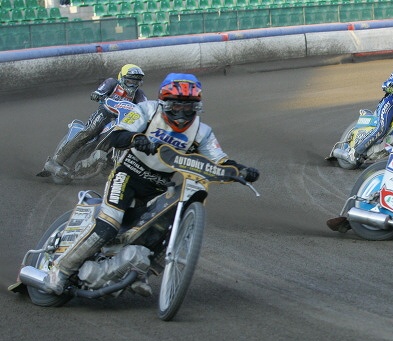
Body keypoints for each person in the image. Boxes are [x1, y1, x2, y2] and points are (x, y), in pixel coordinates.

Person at [42, 72, 260, 296]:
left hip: (158, 187)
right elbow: (116, 135)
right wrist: (136, 138)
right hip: (128, 175)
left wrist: (241, 170)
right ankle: (60, 270)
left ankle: (137, 272)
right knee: (109, 225)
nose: (182, 113)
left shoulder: (202, 132)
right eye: (176, 106)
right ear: (164, 102)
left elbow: (219, 160)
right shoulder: (146, 110)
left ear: (197, 107)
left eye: (189, 107)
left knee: (160, 231)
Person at [42, 64, 147, 178]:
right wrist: (97, 95)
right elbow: (99, 92)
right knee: (90, 131)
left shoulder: (139, 94)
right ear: (121, 78)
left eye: (136, 82)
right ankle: (58, 160)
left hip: (123, 120)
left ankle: (111, 165)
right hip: (106, 113)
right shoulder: (112, 83)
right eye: (130, 81)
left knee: (133, 138)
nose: (133, 85)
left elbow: (145, 108)